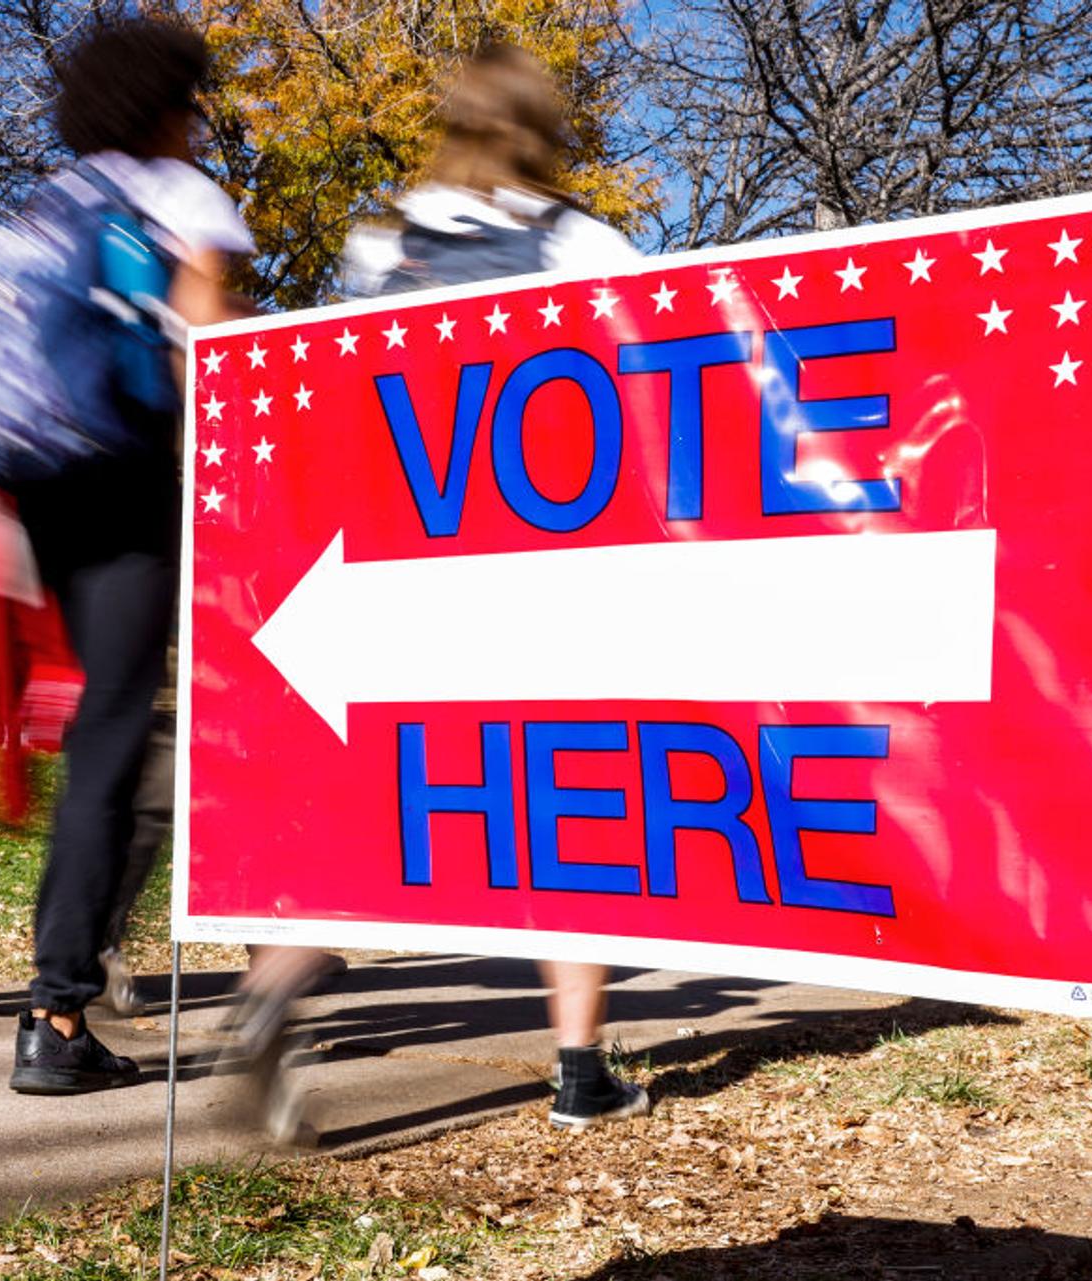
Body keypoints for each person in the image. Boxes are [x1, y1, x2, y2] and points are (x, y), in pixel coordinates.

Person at [337, 43, 651, 1131]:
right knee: (578, 802)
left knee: (365, 782)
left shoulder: (378, 246)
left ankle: (273, 1012)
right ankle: (578, 1068)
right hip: (548, 566)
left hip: (406, 569)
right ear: (542, 132)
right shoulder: (582, 243)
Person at [2, 18, 255, 1095]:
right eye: (192, 104)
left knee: (104, 729)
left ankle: (72, 975)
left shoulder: (53, 199)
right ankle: (58, 1009)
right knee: (117, 732)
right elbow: (214, 340)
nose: (199, 122)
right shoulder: (182, 196)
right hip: (124, 479)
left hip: (32, 482)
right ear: (166, 106)